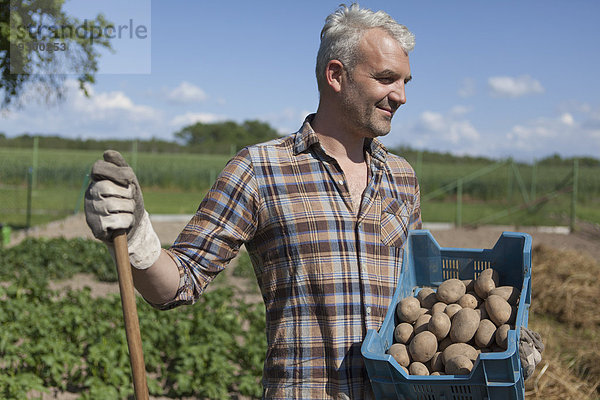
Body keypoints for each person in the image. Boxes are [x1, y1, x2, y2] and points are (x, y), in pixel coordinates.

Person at [84, 4, 541, 399]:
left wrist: (498, 344)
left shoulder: (403, 177)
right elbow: (176, 286)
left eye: (405, 81)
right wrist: (140, 236)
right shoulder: (259, 170)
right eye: (385, 78)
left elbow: (420, 301)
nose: (400, 96)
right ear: (336, 75)